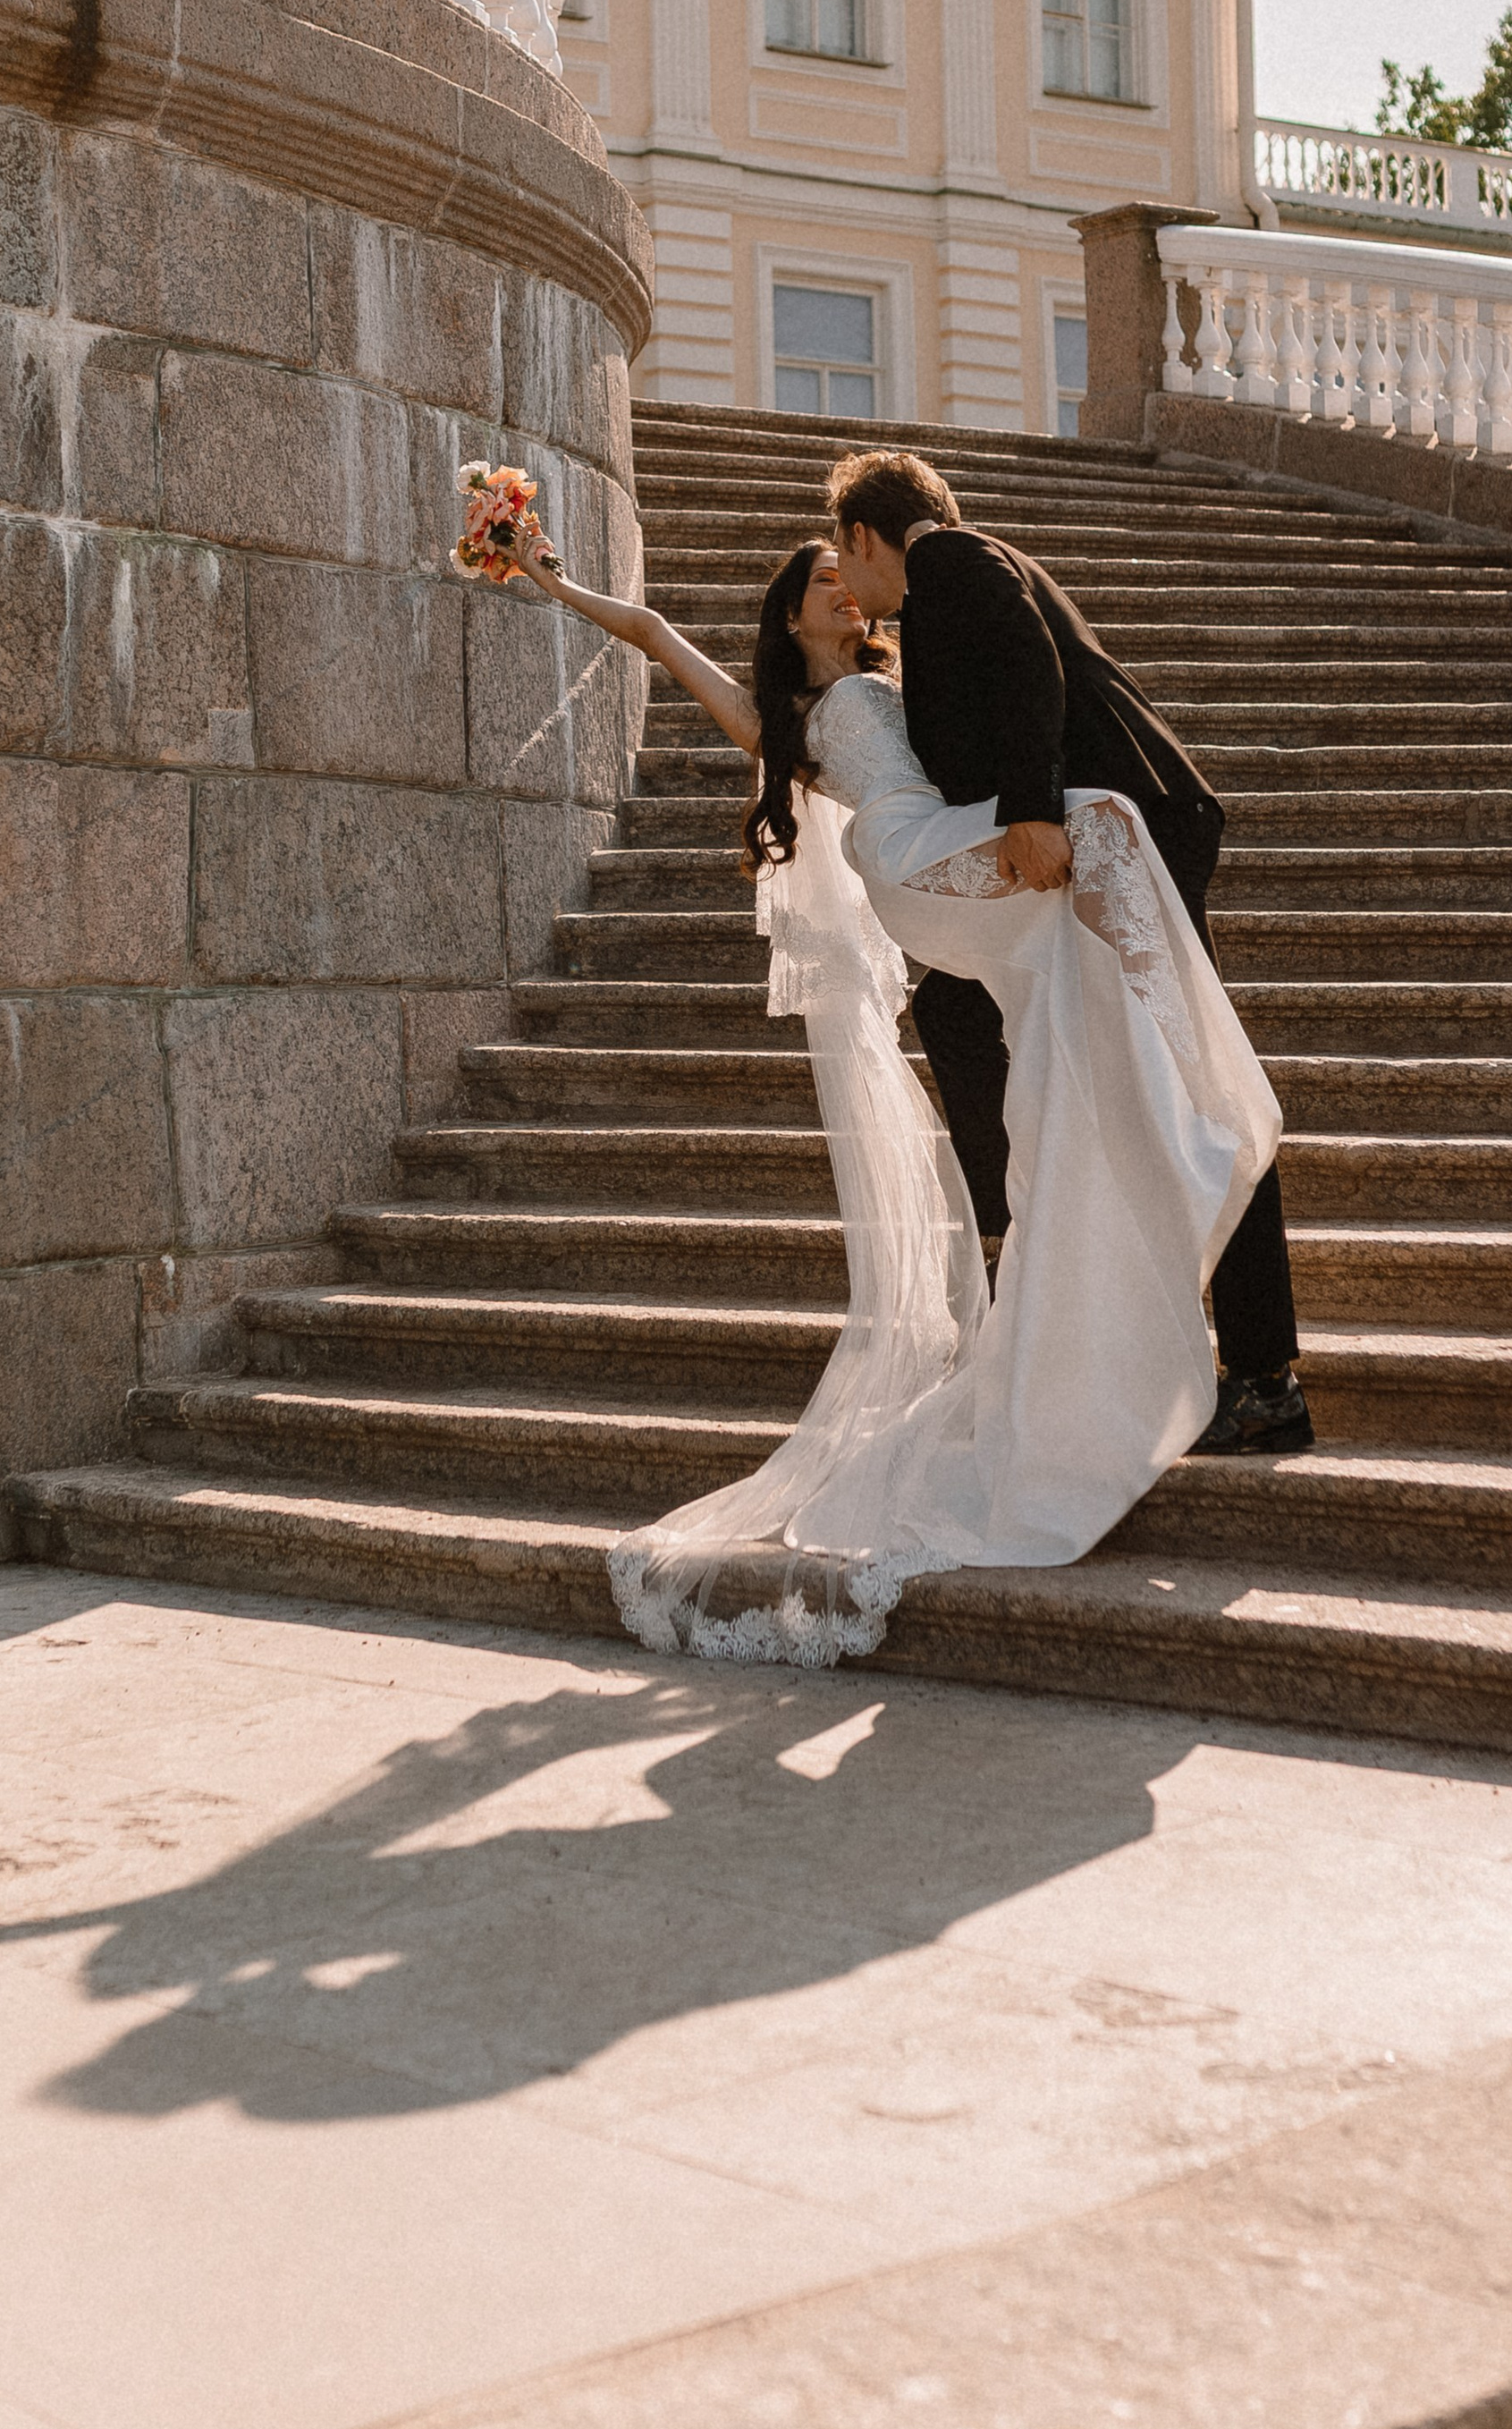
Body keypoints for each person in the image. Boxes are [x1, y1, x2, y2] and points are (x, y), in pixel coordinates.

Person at [498, 523, 1284, 1663]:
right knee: (1105, 827)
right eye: (822, 583)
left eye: (843, 575)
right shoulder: (789, 720)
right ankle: (1181, 1069)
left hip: (956, 842)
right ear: (790, 615)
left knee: (1102, 838)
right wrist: (550, 576)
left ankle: (1153, 1089)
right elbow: (656, 634)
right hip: (909, 863)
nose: (844, 595)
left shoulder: (905, 677)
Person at [824, 446, 1313, 1458]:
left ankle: (1266, 1378)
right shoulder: (946, 583)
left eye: (843, 558)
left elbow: (1027, 662)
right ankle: (1035, 1257)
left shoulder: (949, 556)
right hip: (1112, 845)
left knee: (1197, 1089)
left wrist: (1032, 810)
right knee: (955, 1008)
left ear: (866, 534)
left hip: (1126, 839)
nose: (850, 589)